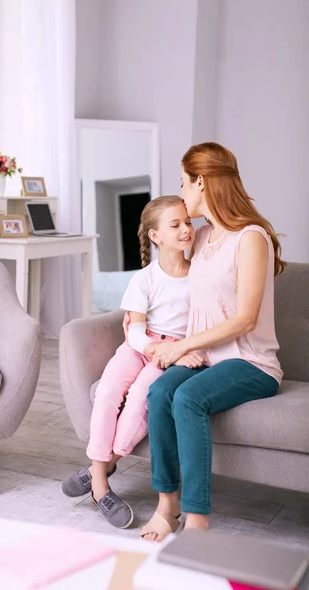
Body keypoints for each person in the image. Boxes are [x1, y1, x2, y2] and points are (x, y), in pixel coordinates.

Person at [135, 142, 285, 542]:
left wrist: (182, 346)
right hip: (208, 359)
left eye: (184, 183)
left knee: (188, 398)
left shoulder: (251, 237)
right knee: (161, 390)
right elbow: (165, 269)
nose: (182, 192)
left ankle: (197, 521)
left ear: (201, 182)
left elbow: (245, 319)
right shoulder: (200, 237)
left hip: (251, 363)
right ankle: (167, 505)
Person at [61, 195, 204, 530]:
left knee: (141, 397)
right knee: (108, 392)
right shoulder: (144, 279)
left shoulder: (200, 275)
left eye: (188, 222)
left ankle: (101, 471)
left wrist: (177, 351)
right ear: (155, 236)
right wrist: (157, 349)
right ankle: (101, 485)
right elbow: (136, 333)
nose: (186, 229)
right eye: (176, 224)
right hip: (141, 347)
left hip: (171, 354)